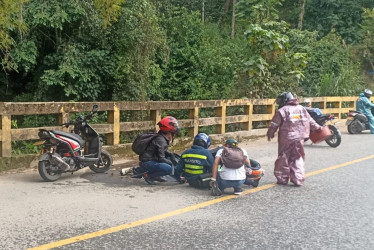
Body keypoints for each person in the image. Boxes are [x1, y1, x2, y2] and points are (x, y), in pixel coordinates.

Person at [266, 92, 322, 186]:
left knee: (283, 157)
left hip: (286, 138)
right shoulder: (301, 109)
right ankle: (298, 179)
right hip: (299, 138)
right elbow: (310, 121)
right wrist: (319, 128)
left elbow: (274, 124)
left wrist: (270, 134)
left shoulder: (282, 111)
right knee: (297, 157)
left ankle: (282, 178)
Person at [139, 116, 181, 185]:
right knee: (168, 168)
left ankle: (157, 175)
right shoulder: (161, 140)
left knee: (170, 158)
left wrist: (171, 155)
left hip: (151, 159)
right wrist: (171, 163)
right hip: (147, 162)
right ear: (168, 131)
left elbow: (161, 151)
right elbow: (161, 158)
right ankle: (148, 176)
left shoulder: (161, 137)